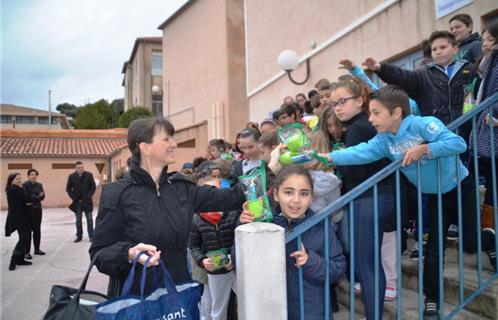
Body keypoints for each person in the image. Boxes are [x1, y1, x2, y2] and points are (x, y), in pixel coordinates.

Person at [322, 85, 496, 317]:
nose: (371, 118)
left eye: (376, 113)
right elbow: (361, 152)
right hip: (434, 195)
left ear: (396, 112)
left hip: (460, 188)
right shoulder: (384, 140)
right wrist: (328, 156)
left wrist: (425, 149)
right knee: (434, 248)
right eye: (370, 113)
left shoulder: (421, 123)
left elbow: (458, 144)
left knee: (471, 244)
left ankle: (489, 241)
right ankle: (432, 299)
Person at [89, 117, 245, 297]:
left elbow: (230, 198)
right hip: (138, 301)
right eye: (166, 139)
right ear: (145, 147)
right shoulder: (118, 194)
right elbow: (99, 254)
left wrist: (269, 171)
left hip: (178, 296)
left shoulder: (181, 187)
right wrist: (129, 253)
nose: (174, 144)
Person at [239, 165, 346, 320]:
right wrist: (245, 228)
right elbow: (240, 262)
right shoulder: (264, 226)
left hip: (312, 311)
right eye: (288, 192)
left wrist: (310, 261)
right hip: (272, 309)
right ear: (276, 194)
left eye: (304, 193)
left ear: (311, 198)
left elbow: (338, 270)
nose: (296, 200)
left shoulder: (321, 227)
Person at [327, 77, 394, 320]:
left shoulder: (357, 127)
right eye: (334, 104)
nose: (338, 108)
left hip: (368, 198)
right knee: (370, 263)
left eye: (343, 101)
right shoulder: (363, 125)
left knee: (366, 264)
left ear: (359, 100)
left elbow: (354, 170)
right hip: (376, 197)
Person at [189, 175, 239, 320]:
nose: (213, 196)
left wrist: (234, 258)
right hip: (216, 272)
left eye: (216, 190)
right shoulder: (196, 218)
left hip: (237, 267)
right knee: (218, 309)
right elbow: (193, 245)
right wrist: (203, 261)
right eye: (208, 191)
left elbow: (241, 238)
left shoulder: (233, 211)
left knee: (247, 302)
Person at [472, 21, 498, 231]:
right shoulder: (488, 63)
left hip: (494, 124)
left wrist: (495, 110)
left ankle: (490, 231)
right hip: (489, 128)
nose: (485, 44)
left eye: (490, 39)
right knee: (491, 181)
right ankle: (489, 232)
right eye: (484, 40)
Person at [5, 172, 36, 271]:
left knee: (26, 238)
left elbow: (24, 202)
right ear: (11, 180)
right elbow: (26, 199)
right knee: (23, 239)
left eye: (19, 178)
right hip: (18, 218)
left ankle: (20, 259)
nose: (19, 180)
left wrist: (29, 202)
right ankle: (13, 261)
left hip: (24, 217)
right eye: (16, 179)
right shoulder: (12, 190)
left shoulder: (18, 189)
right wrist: (36, 198)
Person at [66, 161, 96, 242]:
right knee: (78, 221)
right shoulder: (71, 176)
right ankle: (79, 236)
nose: (81, 169)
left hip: (87, 201)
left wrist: (89, 194)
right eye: (79, 168)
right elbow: (68, 189)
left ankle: (91, 236)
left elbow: (93, 186)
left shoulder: (89, 175)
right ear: (76, 169)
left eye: (82, 167)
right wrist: (73, 197)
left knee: (89, 219)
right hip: (77, 202)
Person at [22, 169, 46, 257]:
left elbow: (43, 196)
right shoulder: (24, 185)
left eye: (35, 174)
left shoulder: (39, 185)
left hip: (38, 210)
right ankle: (26, 252)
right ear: (28, 176)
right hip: (28, 211)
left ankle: (37, 249)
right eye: (31, 174)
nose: (33, 176)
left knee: (37, 230)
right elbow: (26, 197)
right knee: (28, 232)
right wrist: (37, 197)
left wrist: (34, 198)